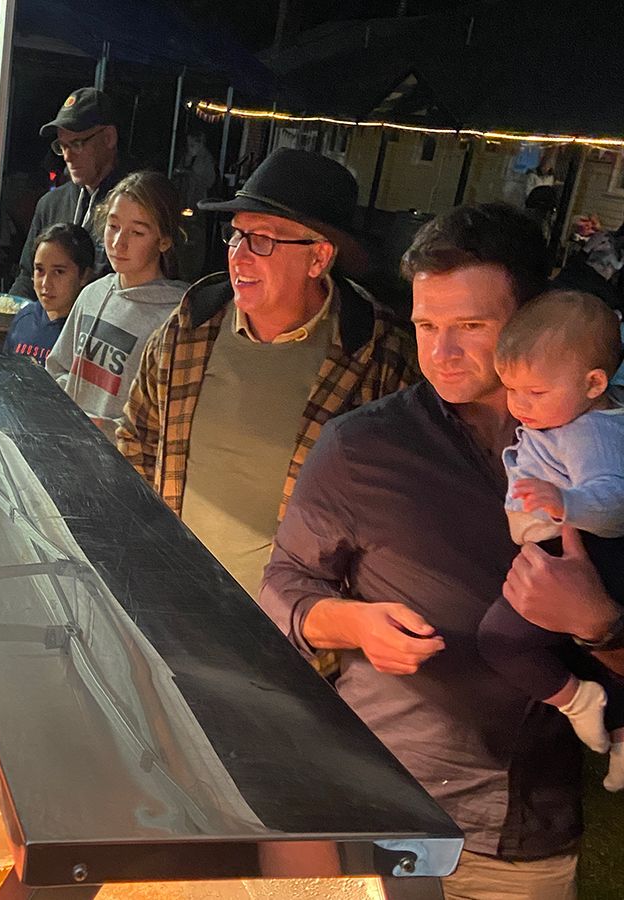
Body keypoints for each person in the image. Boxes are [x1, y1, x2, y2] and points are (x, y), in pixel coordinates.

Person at [259, 203, 615, 898]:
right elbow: (285, 584)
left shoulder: (605, 454)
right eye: (426, 325)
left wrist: (601, 624)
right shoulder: (365, 448)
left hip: (524, 830)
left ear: (534, 317)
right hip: (378, 804)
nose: (442, 353)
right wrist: (352, 625)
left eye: (472, 327)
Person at [118, 149, 417, 600]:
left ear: (318, 258)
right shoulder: (190, 329)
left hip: (291, 633)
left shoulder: (378, 355)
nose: (238, 258)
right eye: (236, 236)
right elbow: (135, 440)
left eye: (263, 240)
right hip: (175, 599)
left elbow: (396, 517)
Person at [476, 290, 624, 790]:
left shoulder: (589, 433)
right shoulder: (566, 418)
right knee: (586, 649)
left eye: (534, 393)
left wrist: (563, 501)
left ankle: (576, 700)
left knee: (501, 640)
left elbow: (614, 500)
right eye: (511, 390)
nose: (519, 405)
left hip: (584, 549)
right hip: (571, 545)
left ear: (593, 384)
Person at [47, 172, 187, 436]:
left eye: (137, 232)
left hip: (125, 464)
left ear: (164, 241)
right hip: (72, 448)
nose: (119, 242)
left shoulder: (173, 317)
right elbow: (58, 367)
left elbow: (167, 419)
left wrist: (108, 428)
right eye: (113, 226)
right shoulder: (92, 294)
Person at [8, 87, 128, 299]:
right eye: (62, 146)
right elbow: (27, 275)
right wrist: (12, 314)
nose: (67, 156)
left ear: (109, 137)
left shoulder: (131, 206)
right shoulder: (50, 203)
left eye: (77, 144)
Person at [4, 222, 95, 365]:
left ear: (84, 275)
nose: (46, 283)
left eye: (59, 272)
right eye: (39, 270)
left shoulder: (88, 332)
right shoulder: (24, 318)